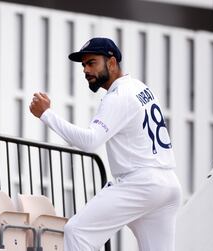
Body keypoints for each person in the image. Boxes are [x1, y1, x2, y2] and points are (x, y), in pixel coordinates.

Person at [29, 37, 182, 251]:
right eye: (84, 65)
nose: (85, 70)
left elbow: (91, 141)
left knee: (77, 231)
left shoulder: (119, 95)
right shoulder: (139, 87)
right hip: (167, 185)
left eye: (92, 63)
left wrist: (46, 115)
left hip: (142, 184)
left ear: (111, 62)